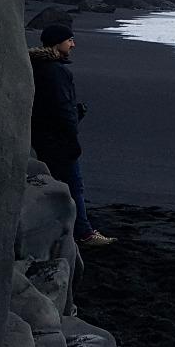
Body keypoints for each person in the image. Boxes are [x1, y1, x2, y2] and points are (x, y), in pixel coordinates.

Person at [29, 24, 114, 247]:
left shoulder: (36, 66)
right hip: (57, 140)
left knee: (50, 184)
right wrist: (74, 128)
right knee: (74, 186)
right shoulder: (57, 71)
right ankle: (84, 233)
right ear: (57, 43)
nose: (73, 44)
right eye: (70, 40)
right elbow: (62, 109)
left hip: (38, 137)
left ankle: (56, 226)